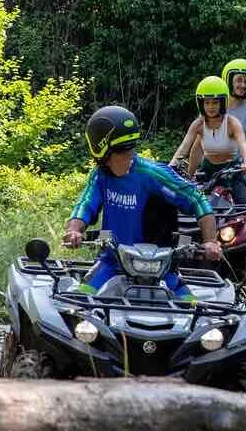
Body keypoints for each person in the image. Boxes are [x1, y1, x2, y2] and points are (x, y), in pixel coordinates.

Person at [65, 105, 221, 300]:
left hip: (161, 269)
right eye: (121, 152)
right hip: (112, 264)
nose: (129, 156)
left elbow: (197, 199)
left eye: (131, 148)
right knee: (79, 303)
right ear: (103, 156)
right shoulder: (100, 178)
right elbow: (85, 204)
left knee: (195, 309)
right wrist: (74, 230)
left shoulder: (151, 173)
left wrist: (211, 242)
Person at [171, 76, 246, 206]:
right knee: (191, 204)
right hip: (208, 172)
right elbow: (184, 148)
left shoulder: (232, 123)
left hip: (232, 172)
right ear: (201, 103)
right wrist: (171, 167)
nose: (211, 107)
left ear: (223, 102)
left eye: (215, 102)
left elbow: (243, 146)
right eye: (207, 102)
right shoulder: (198, 124)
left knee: (244, 206)